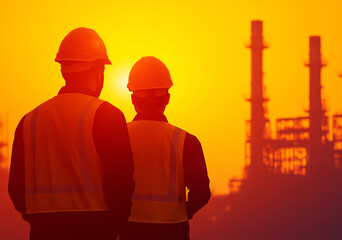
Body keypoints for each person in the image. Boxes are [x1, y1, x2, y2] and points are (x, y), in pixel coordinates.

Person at [8, 27, 135, 240]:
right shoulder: (107, 116)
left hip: (43, 232)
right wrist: (113, 227)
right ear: (98, 69)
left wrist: (43, 220)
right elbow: (122, 186)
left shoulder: (28, 121)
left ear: (63, 70)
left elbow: (16, 192)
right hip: (96, 231)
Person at [119, 56, 211, 240]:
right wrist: (181, 213)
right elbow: (202, 193)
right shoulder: (186, 141)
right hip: (172, 232)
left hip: (128, 231)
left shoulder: (117, 136)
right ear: (167, 98)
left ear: (132, 99)